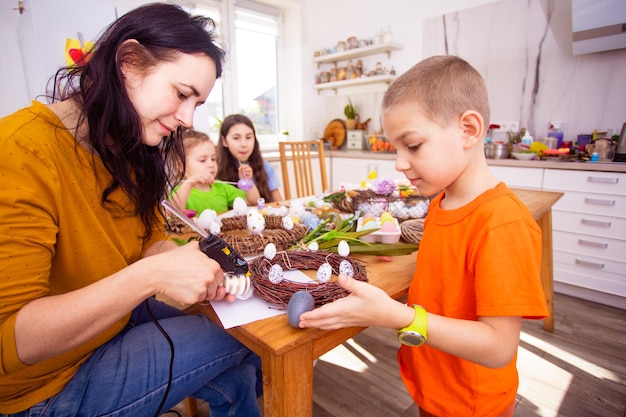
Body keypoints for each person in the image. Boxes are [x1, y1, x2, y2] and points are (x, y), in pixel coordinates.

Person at [0, 4, 262, 417]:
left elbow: (149, 240)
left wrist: (179, 259)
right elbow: (17, 343)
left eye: (198, 103)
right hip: (43, 388)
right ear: (129, 62)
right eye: (181, 94)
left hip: (108, 329)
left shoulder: (128, 150)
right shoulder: (19, 152)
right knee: (252, 338)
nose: (186, 118)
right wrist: (153, 274)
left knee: (241, 368)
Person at [299, 55, 548, 417]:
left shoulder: (502, 222)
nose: (399, 163)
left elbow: (498, 348)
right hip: (434, 385)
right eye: (395, 149)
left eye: (412, 145)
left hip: (471, 404)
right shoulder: (441, 202)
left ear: (468, 129)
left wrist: (399, 317)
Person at [170, 128, 260, 214]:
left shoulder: (221, 187)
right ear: (180, 166)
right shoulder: (180, 191)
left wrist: (247, 181)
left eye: (213, 159)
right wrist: (189, 184)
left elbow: (252, 201)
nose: (211, 164)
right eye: (202, 160)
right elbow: (172, 214)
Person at [216, 114, 283, 203]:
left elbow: (279, 202)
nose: (244, 144)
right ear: (224, 141)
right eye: (236, 138)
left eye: (248, 137)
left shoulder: (265, 167)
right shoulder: (216, 169)